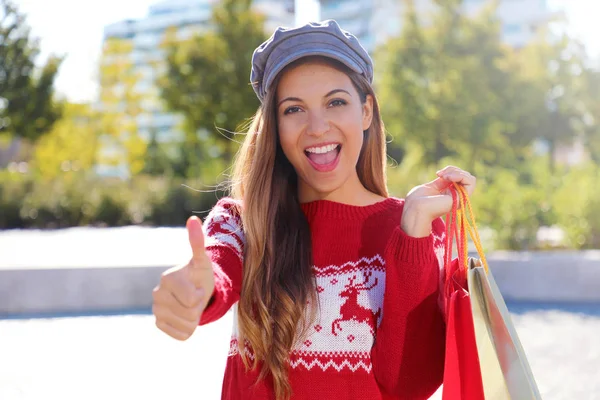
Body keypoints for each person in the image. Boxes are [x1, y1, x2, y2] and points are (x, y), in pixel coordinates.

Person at [152, 20, 476, 400]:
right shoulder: (243, 223)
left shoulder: (417, 232)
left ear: (366, 111)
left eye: (336, 102)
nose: (317, 127)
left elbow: (406, 386)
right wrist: (195, 290)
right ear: (275, 126)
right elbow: (215, 271)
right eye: (294, 110)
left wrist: (415, 230)